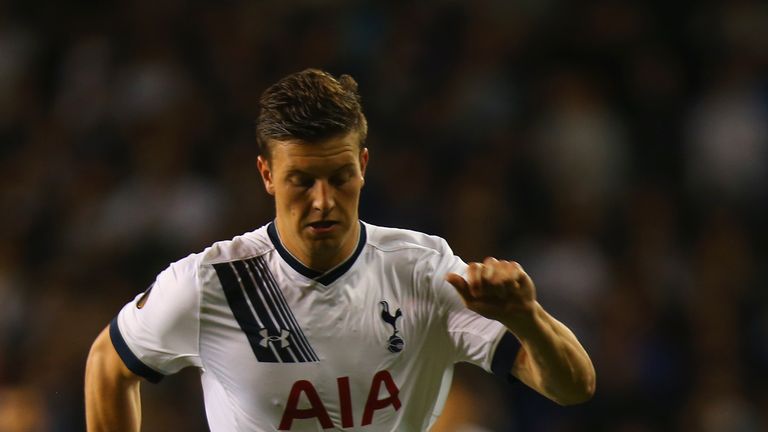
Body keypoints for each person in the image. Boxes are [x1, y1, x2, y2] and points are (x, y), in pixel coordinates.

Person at [85, 68, 595, 431]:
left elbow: (573, 388)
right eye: (301, 181)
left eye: (340, 176)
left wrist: (527, 316)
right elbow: (110, 362)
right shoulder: (214, 284)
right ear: (267, 175)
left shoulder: (424, 274)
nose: (323, 200)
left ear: (364, 166)